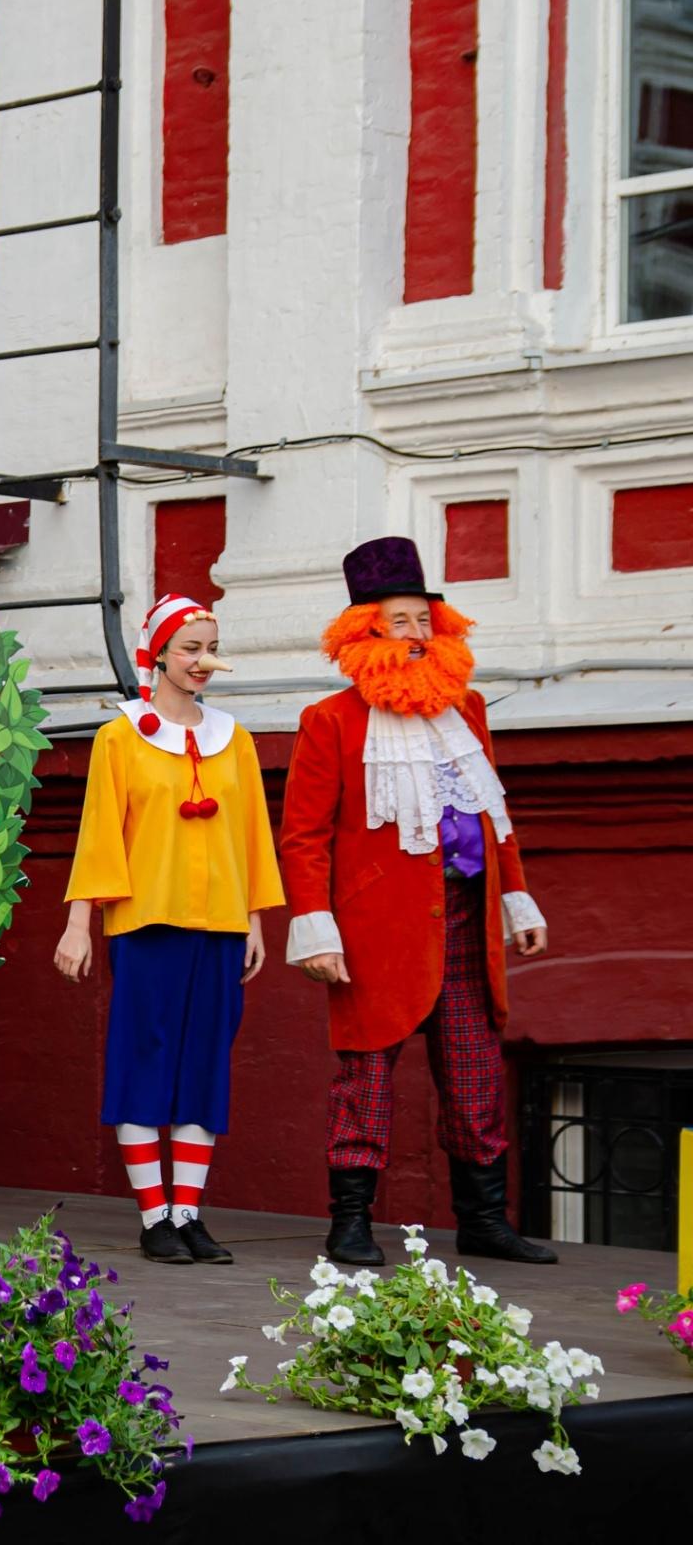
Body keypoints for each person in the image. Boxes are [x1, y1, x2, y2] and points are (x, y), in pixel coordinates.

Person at [279, 538, 555, 1266]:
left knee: (475, 1074)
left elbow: (494, 814)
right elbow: (303, 837)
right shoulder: (330, 720)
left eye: (424, 621)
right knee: (366, 1078)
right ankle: (350, 1222)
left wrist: (517, 898)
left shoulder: (467, 710)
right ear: (365, 632)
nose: (416, 635)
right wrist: (316, 928)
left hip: (466, 918)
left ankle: (483, 1220)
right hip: (375, 933)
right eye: (399, 622)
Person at [54, 595, 283, 1265]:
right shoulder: (120, 737)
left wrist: (254, 920)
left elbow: (252, 835)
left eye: (211, 648)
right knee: (144, 1060)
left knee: (204, 1064)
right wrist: (78, 924)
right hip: (146, 921)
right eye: (191, 649)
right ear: (158, 655)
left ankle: (189, 1213)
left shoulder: (235, 739)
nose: (203, 661)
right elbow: (99, 833)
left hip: (220, 923)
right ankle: (153, 1216)